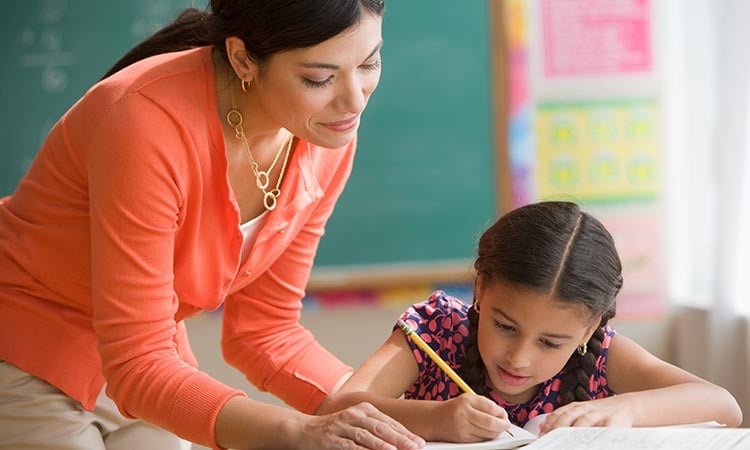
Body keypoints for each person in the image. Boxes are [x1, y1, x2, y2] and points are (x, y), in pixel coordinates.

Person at [0, 1, 427, 449]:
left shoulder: (326, 132)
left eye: (369, 62)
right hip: (28, 336)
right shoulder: (143, 122)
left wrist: (413, 418)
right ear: (242, 58)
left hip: (148, 351)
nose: (355, 99)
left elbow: (265, 331)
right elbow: (136, 362)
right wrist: (296, 432)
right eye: (318, 78)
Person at [320, 201, 744, 443]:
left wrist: (626, 408)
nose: (519, 358)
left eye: (551, 343)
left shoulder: (602, 355)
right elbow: (337, 407)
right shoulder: (437, 327)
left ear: (591, 326)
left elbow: (724, 408)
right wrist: (436, 419)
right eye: (505, 326)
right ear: (481, 289)